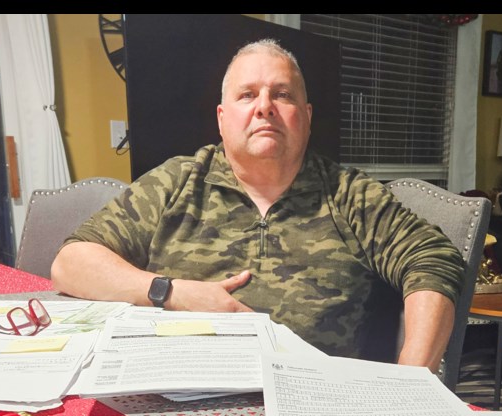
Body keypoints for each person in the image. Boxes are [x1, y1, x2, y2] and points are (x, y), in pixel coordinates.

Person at [51, 39, 464, 371]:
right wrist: (171, 292)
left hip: (310, 404)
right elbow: (71, 263)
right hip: (170, 391)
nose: (264, 106)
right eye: (247, 95)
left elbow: (433, 258)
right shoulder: (177, 181)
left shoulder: (348, 194)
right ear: (222, 117)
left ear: (305, 115)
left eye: (281, 95)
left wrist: (412, 381)